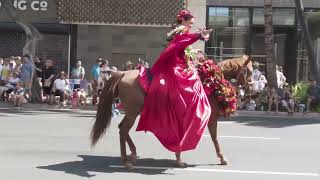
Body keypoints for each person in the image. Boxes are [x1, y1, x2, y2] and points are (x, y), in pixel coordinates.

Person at [137, 9, 212, 157]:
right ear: (183, 20)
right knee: (192, 82)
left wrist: (197, 43)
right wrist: (199, 36)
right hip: (173, 66)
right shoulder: (181, 30)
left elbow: (185, 43)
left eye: (192, 22)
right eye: (190, 21)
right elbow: (181, 42)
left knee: (194, 76)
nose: (191, 24)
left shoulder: (183, 30)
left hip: (179, 63)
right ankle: (185, 111)